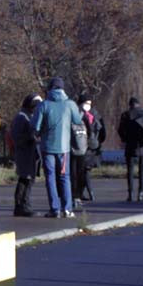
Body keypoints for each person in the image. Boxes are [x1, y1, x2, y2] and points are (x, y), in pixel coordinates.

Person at [32, 76, 82, 218]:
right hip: (64, 148)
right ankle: (67, 209)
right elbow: (77, 120)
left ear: (50, 88)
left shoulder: (44, 105)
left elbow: (36, 126)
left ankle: (55, 209)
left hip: (47, 147)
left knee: (50, 177)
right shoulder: (70, 104)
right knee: (65, 177)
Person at [11, 93, 42, 217]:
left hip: (30, 153)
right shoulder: (21, 117)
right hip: (24, 153)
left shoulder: (30, 116)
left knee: (28, 180)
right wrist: (32, 137)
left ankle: (24, 204)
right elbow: (17, 137)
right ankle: (22, 205)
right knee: (25, 179)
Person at [118, 97, 143, 201]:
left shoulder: (126, 115)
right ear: (138, 104)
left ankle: (130, 194)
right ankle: (141, 193)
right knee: (142, 170)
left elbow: (120, 130)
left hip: (131, 145)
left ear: (130, 105)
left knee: (130, 170)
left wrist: (125, 139)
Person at [76, 95, 105, 202]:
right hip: (93, 146)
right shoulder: (95, 114)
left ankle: (84, 193)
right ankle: (86, 192)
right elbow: (103, 132)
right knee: (86, 170)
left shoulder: (77, 114)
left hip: (82, 146)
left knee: (81, 171)